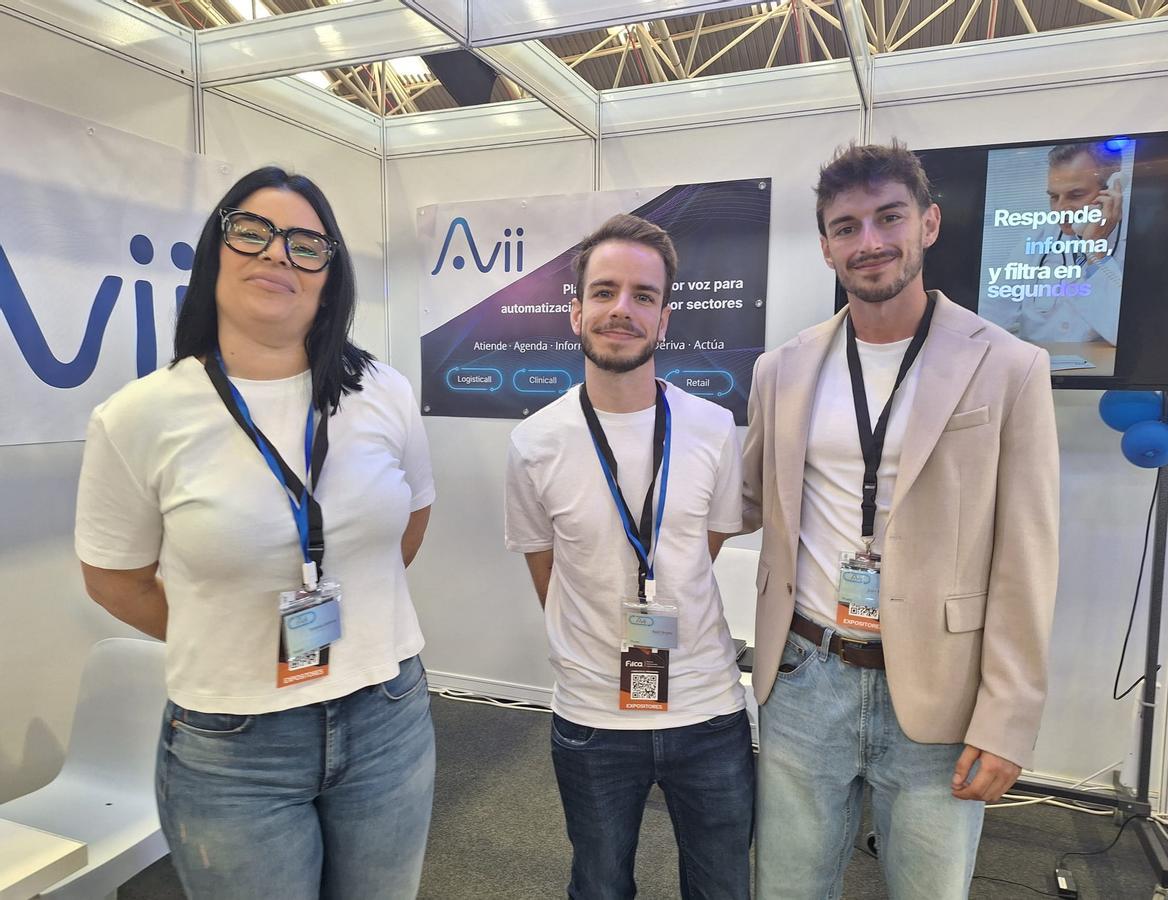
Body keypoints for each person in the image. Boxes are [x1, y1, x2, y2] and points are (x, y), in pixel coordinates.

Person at [75, 167, 437, 899]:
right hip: (234, 743)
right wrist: (228, 630)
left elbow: (411, 521)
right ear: (216, 252)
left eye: (307, 244)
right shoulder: (139, 416)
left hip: (387, 714)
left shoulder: (384, 392)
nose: (277, 253)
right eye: (253, 232)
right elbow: (115, 580)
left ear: (330, 279)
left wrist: (352, 617)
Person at [744, 142, 1060, 899]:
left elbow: (1028, 553)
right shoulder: (781, 369)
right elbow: (745, 500)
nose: (869, 242)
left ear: (929, 224)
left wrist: (1008, 717)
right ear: (826, 246)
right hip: (805, 673)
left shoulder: (1009, 365)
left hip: (941, 688)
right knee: (784, 888)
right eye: (846, 227)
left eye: (889, 218)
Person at [504, 213, 753, 900]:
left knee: (723, 887)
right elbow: (548, 570)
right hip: (592, 716)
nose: (623, 309)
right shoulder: (535, 442)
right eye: (605, 291)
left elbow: (701, 550)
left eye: (643, 295)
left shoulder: (713, 428)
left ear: (664, 319)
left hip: (707, 710)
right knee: (599, 884)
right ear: (576, 310)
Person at [980, 141, 1127, 346]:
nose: (1060, 209)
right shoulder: (1037, 239)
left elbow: (1124, 334)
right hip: (1039, 364)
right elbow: (988, 316)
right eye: (1054, 197)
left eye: (1075, 195)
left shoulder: (1136, 241)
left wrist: (1095, 249)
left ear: (1112, 189)